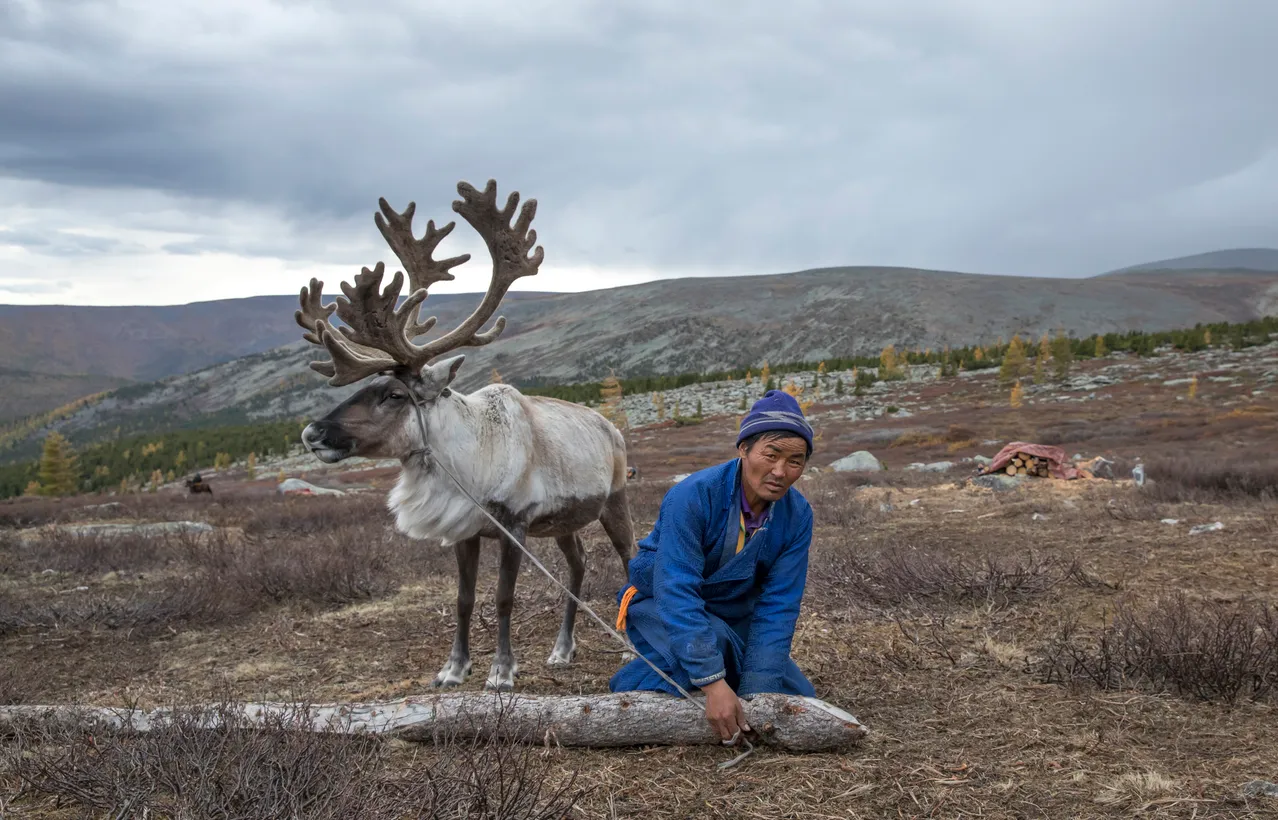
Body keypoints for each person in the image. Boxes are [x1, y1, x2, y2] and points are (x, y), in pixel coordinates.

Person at [609, 389, 816, 743]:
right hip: (661, 603)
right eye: (771, 455)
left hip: (731, 609)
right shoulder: (693, 495)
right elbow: (675, 586)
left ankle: (712, 671)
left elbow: (778, 606)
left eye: (795, 461)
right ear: (743, 449)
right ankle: (629, 684)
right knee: (715, 646)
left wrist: (759, 698)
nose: (780, 472)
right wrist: (713, 683)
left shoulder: (797, 515)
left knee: (796, 694)